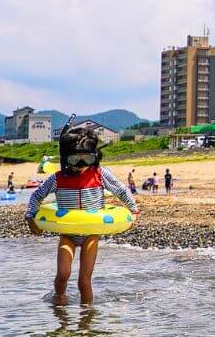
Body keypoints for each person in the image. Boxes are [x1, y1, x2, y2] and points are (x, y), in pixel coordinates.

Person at [25, 125, 138, 306]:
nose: (80, 165)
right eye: (75, 159)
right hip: (68, 234)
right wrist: (30, 217)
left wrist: (133, 211)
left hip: (90, 234)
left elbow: (121, 190)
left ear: (94, 157)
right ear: (65, 158)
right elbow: (37, 195)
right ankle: (60, 304)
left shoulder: (100, 175)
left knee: (83, 281)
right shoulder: (58, 178)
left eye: (86, 159)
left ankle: (87, 321)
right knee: (63, 275)